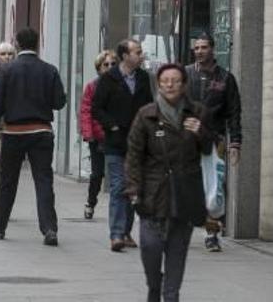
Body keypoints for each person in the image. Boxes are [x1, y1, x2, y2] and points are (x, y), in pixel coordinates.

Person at [126, 63, 214, 302]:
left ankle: (171, 294)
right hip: (152, 196)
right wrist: (134, 191)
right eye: (165, 80)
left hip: (184, 196)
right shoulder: (146, 115)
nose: (170, 85)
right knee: (150, 250)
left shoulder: (197, 112)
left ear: (184, 84)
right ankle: (154, 287)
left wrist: (201, 132)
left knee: (177, 255)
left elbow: (209, 149)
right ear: (158, 84)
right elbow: (133, 156)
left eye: (175, 80)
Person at [0, 28, 66, 245]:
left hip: (14, 132)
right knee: (43, 180)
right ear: (37, 44)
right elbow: (59, 102)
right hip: (41, 131)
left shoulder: (7, 71)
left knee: (8, 182)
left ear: (17, 44)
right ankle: (49, 229)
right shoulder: (50, 70)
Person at [92, 38, 153, 252]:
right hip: (116, 143)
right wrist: (112, 126)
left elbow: (149, 106)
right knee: (118, 187)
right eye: (137, 52)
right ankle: (116, 234)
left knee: (133, 188)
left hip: (138, 143)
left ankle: (126, 231)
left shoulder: (144, 78)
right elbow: (96, 109)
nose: (141, 55)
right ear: (125, 56)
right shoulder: (110, 79)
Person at [184, 32, 241, 253]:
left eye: (204, 47)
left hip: (214, 139)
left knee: (214, 188)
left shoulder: (226, 78)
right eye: (196, 48)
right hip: (187, 140)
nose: (199, 51)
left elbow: (234, 113)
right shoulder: (185, 75)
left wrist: (235, 143)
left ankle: (212, 233)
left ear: (213, 49)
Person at [79, 50, 117, 220]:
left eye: (113, 64)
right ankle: (90, 202)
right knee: (97, 174)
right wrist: (88, 134)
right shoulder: (92, 87)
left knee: (118, 174)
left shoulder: (122, 85)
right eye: (106, 65)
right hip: (98, 137)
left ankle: (118, 210)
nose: (109, 67)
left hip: (117, 137)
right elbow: (86, 111)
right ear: (99, 68)